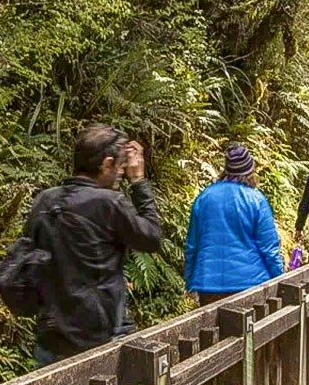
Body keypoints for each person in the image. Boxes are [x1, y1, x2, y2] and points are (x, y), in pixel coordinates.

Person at [26, 124, 164, 366]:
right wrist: (139, 182)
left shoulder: (45, 200)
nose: (121, 173)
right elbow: (151, 237)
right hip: (99, 334)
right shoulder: (109, 203)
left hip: (52, 332)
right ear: (106, 164)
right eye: (119, 166)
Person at [184, 143, 284, 305]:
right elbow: (269, 249)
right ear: (250, 170)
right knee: (250, 330)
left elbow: (192, 246)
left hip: (208, 284)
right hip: (250, 283)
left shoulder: (204, 197)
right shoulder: (256, 200)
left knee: (213, 330)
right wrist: (281, 279)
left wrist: (189, 281)